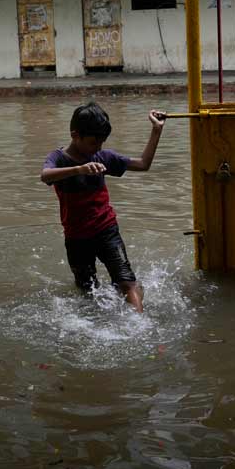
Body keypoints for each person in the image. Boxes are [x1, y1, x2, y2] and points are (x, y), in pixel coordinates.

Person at [41, 102, 167, 313]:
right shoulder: (59, 158)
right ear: (75, 135)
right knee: (87, 291)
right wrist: (79, 169)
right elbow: (45, 176)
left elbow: (143, 164)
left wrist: (156, 130)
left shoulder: (103, 157)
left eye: (101, 142)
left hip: (106, 230)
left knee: (126, 282)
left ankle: (140, 324)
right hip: (76, 238)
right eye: (93, 142)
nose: (97, 148)